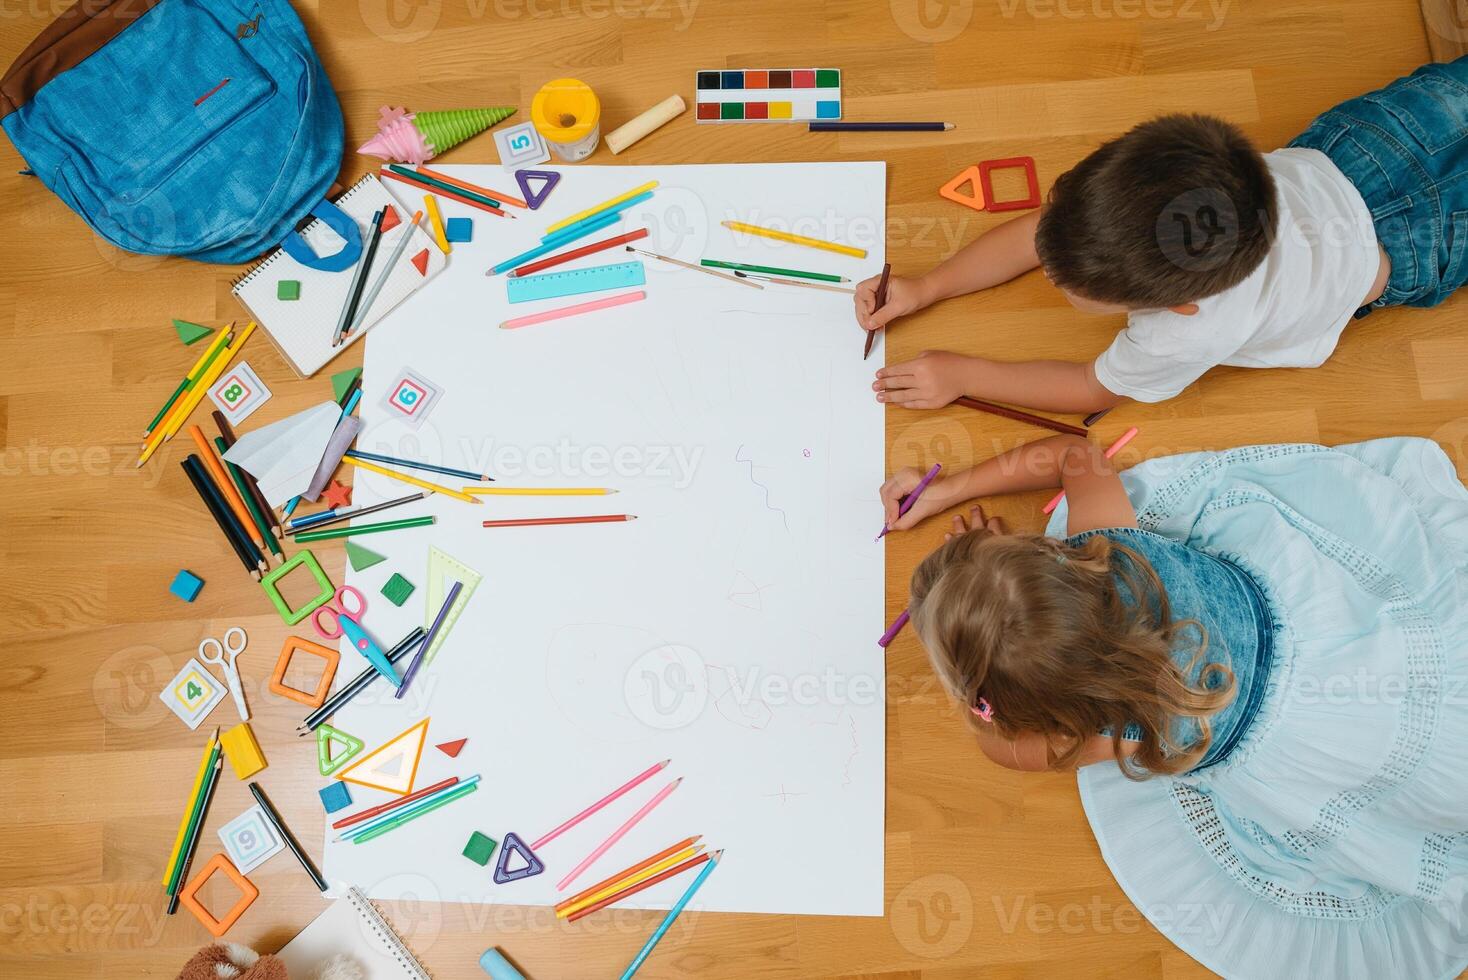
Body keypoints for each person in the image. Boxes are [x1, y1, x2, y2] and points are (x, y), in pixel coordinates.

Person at [880, 433, 1468, 977]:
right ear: (1051, 556)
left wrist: (974, 690)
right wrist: (952, 494)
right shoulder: (1112, 545)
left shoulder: (1107, 727)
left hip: (1320, 748)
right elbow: (1075, 457)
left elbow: (999, 747)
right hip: (1346, 647)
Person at [857, 59, 1468, 413]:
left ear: (1174, 304)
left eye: (1063, 278)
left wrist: (965, 374)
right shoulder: (1169, 184)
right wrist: (928, 286)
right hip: (1373, 141)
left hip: (1419, 245)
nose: (1044, 266)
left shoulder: (1190, 330)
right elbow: (1046, 235)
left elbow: (1093, 388)